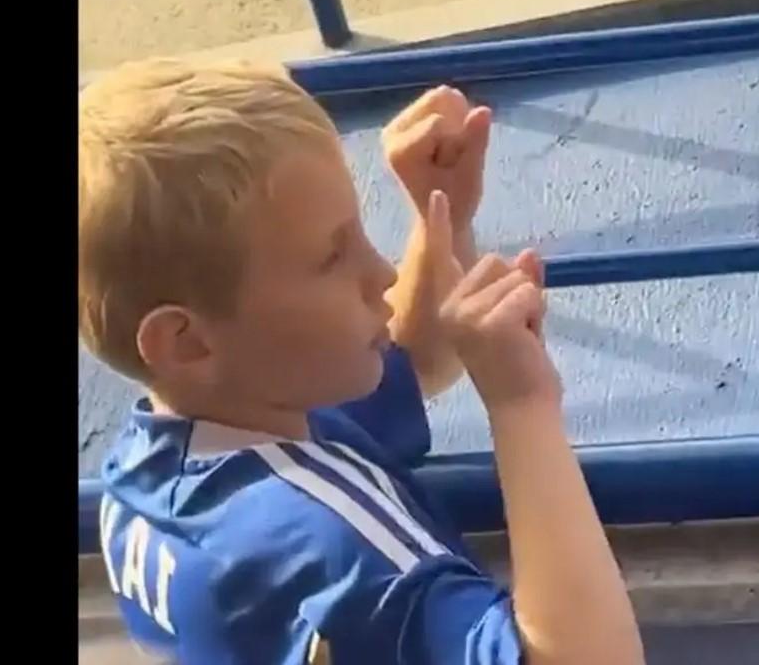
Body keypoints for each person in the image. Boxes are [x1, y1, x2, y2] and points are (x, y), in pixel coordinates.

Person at [79, 57, 644, 665]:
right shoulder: (330, 546)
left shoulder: (166, 459)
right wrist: (522, 405)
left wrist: (440, 214)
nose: (383, 275)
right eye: (331, 256)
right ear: (186, 342)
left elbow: (414, 354)